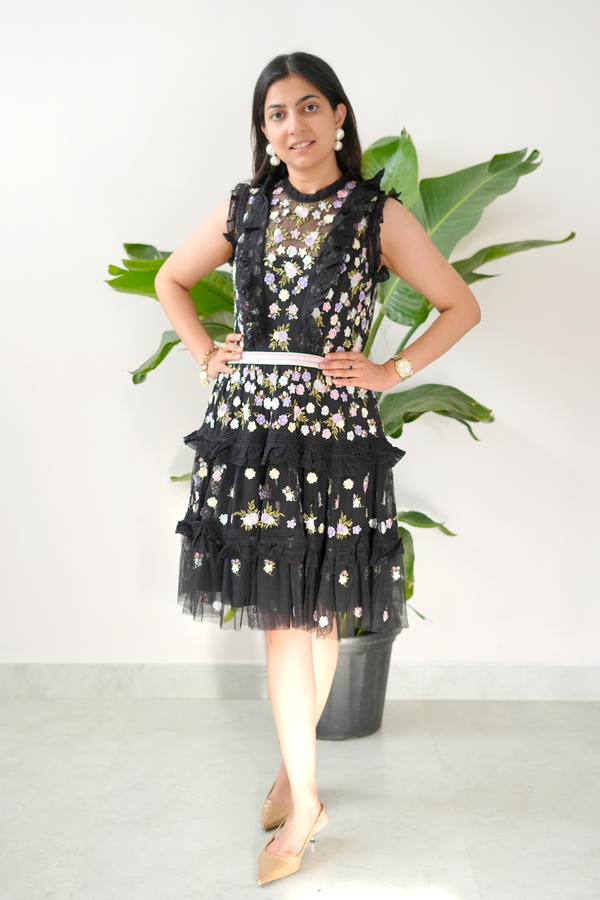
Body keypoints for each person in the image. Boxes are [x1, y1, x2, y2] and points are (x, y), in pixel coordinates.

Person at [154, 51, 481, 887]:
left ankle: (299, 797)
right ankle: (302, 795)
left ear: (338, 116)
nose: (291, 127)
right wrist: (207, 354)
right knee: (282, 618)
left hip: (334, 434)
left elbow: (459, 305)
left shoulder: (377, 212)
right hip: (255, 430)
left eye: (307, 108)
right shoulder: (246, 206)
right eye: (274, 114)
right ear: (262, 130)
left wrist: (392, 370)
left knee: (321, 616)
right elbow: (172, 280)